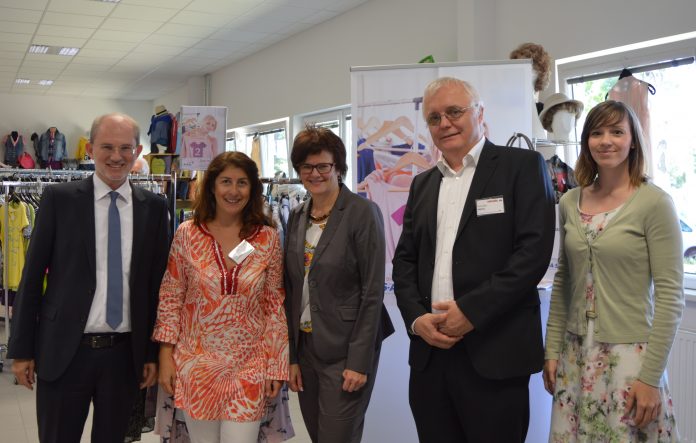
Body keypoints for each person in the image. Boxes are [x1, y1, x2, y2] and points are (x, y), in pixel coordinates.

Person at [392, 77, 556, 443]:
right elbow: (404, 262)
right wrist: (416, 319)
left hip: (495, 353)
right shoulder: (422, 184)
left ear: (480, 113)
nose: (444, 123)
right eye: (434, 118)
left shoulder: (522, 166)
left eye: (454, 111)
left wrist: (471, 312)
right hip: (431, 356)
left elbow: (532, 255)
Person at [8, 112, 171, 443]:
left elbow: (157, 287)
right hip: (65, 350)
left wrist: (151, 353)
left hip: (125, 356)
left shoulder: (154, 208)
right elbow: (32, 277)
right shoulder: (59, 200)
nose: (116, 156)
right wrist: (22, 350)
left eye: (125, 148)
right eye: (107, 146)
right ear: (90, 149)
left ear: (138, 151)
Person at [543, 100, 683, 442]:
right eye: (597, 133)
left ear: (633, 140)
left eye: (617, 132)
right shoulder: (570, 202)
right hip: (575, 355)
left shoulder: (654, 203)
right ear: (586, 141)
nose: (606, 140)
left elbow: (670, 297)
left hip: (630, 359)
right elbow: (564, 281)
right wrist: (552, 350)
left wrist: (650, 377)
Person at [153, 151, 289, 443]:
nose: (233, 190)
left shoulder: (267, 238)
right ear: (212, 186)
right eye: (226, 181)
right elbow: (171, 297)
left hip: (249, 367)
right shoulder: (187, 234)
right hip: (197, 364)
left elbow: (274, 305)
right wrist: (165, 355)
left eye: (242, 182)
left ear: (252, 189)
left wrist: (276, 365)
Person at [284, 126, 394, 443]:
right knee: (318, 435)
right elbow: (290, 288)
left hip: (346, 351)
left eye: (323, 165)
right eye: (306, 167)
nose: (314, 174)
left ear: (338, 167)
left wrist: (358, 362)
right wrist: (292, 357)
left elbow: (372, 293)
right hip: (306, 348)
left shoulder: (362, 212)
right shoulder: (297, 215)